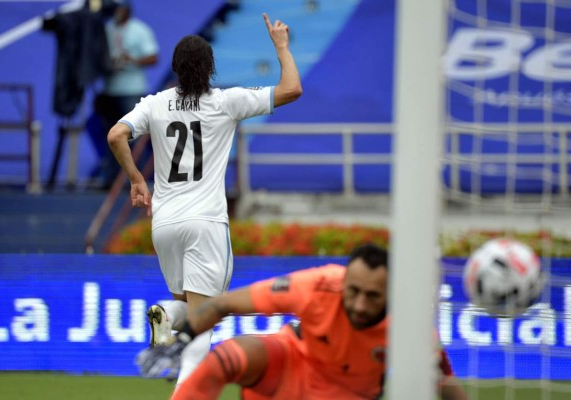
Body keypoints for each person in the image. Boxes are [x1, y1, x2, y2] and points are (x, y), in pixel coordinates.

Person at [107, 12, 302, 389]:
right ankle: (186, 393)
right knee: (205, 318)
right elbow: (292, 89)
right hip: (206, 222)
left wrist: (136, 180)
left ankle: (166, 313)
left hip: (164, 223)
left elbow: (117, 135)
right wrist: (281, 47)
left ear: (176, 69)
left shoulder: (155, 103)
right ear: (211, 67)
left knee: (186, 307)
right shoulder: (227, 102)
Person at [137, 244, 468, 400]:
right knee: (227, 356)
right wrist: (183, 339)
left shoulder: (412, 327)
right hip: (291, 367)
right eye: (352, 291)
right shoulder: (318, 285)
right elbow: (224, 303)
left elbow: (445, 385)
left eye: (372, 296)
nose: (359, 304)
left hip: (346, 394)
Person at [93, 0, 159, 189]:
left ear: (127, 10)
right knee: (111, 137)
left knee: (134, 137)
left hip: (132, 90)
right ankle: (113, 180)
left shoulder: (140, 30)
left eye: (119, 9)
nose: (116, 13)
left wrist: (132, 60)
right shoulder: (107, 29)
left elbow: (153, 57)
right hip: (109, 90)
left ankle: (141, 180)